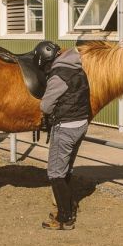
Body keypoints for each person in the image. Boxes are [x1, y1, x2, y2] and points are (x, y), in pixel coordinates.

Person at [37, 40, 90, 230]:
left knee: (55, 173)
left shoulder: (58, 76)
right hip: (81, 124)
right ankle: (68, 207)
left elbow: (45, 106)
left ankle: (65, 218)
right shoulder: (78, 68)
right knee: (66, 169)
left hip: (65, 127)